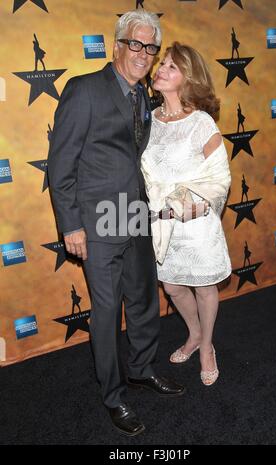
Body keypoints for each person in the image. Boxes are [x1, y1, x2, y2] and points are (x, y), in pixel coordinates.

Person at [48, 11, 184, 438]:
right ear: (117, 46)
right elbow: (61, 163)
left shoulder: (145, 96)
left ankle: (142, 370)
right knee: (106, 314)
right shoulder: (84, 89)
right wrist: (71, 226)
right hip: (97, 224)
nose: (144, 54)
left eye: (150, 47)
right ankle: (114, 396)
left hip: (135, 214)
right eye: (136, 44)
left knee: (143, 301)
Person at [141, 42, 232, 386]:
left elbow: (220, 176)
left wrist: (199, 203)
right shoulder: (148, 120)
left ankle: (207, 347)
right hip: (162, 222)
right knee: (173, 286)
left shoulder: (201, 123)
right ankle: (193, 334)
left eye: (171, 67)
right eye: (161, 63)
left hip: (195, 222)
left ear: (187, 78)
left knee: (206, 287)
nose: (160, 69)